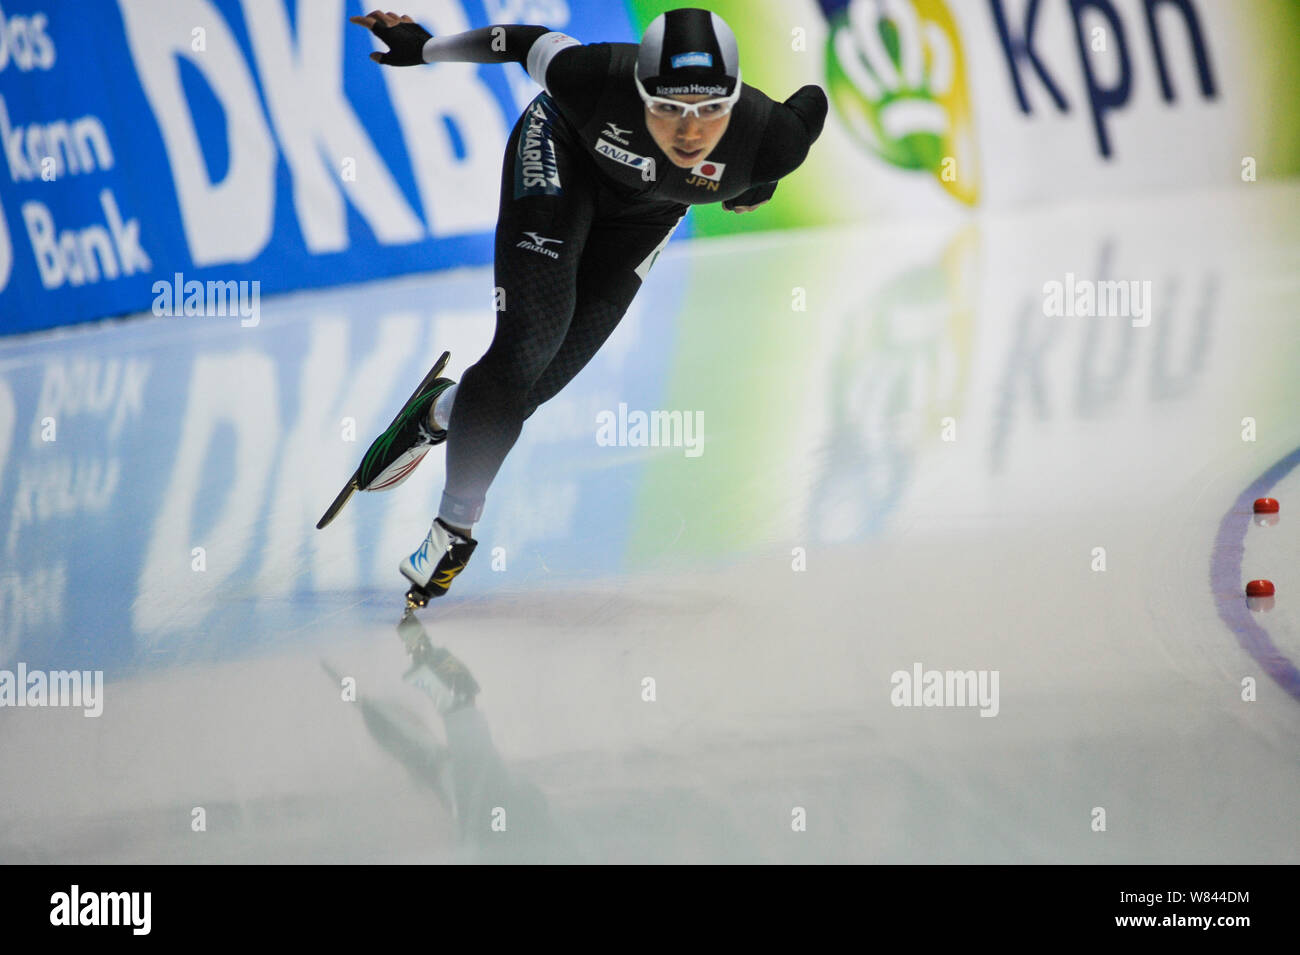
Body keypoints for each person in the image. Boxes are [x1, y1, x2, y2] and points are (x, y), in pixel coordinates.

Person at [346, 8, 827, 609]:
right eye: (667, 107)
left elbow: (812, 100)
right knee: (526, 344)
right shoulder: (591, 75)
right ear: (639, 91)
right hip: (562, 159)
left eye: (709, 110)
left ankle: (439, 411)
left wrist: (759, 180)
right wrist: (424, 49)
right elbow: (516, 41)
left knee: (533, 388)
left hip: (647, 215)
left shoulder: (772, 141)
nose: (688, 132)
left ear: (734, 101)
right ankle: (452, 532)